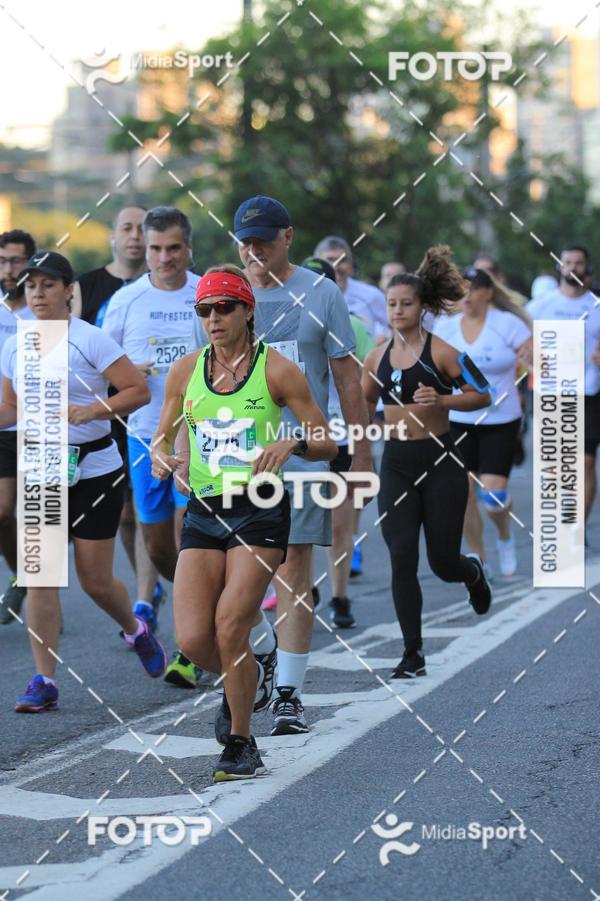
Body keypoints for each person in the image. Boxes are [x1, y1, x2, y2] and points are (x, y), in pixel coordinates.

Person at [191, 196, 372, 738]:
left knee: (295, 569)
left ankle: (290, 695)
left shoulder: (320, 293)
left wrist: (357, 457)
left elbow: (346, 376)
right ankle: (261, 651)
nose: (254, 249)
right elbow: (192, 381)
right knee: (228, 583)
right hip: (226, 461)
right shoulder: (219, 294)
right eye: (245, 240)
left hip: (300, 452)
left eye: (265, 239)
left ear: (288, 237)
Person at [152, 265, 336, 779]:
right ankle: (254, 675)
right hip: (205, 511)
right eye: (204, 310)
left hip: (259, 509)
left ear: (247, 310)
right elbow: (165, 434)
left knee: (231, 622)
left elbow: (327, 441)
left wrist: (291, 442)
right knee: (192, 640)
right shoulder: (186, 371)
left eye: (224, 308)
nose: (213, 318)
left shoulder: (277, 370)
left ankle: (241, 743)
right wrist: (168, 456)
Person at [0, 251, 167, 712]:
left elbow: (138, 390)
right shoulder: (17, 343)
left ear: (69, 290)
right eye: (31, 285)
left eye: (49, 284)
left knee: (95, 581)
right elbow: (11, 405)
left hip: (94, 468)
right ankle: (44, 680)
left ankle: (137, 631)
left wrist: (93, 410)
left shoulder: (90, 340)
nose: (38, 293)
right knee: (40, 576)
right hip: (42, 465)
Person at [362, 246, 493, 679]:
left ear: (422, 308)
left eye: (406, 304)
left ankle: (470, 572)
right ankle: (412, 652)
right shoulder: (375, 358)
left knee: (441, 562)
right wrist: (365, 437)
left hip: (440, 459)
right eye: (392, 304)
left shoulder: (444, 352)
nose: (398, 311)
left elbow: (483, 393)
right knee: (401, 557)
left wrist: (442, 398)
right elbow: (363, 405)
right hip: (397, 463)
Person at [102, 206, 202, 687]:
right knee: (161, 548)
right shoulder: (125, 301)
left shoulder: (208, 294)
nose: (165, 258)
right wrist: (127, 374)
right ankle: (200, 614)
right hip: (146, 439)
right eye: (157, 248)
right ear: (145, 247)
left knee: (191, 542)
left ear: (189, 248)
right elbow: (98, 364)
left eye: (174, 248)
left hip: (202, 436)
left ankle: (193, 646)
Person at [74, 206, 164, 632]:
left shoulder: (171, 281)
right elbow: (74, 349)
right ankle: (147, 588)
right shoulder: (86, 286)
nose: (134, 236)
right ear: (113, 236)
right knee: (126, 517)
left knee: (147, 514)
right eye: (125, 227)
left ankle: (145, 597)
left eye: (140, 229)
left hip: (155, 412)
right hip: (102, 417)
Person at [434, 267, 532, 577]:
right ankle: (479, 559)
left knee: (492, 496)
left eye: (474, 288)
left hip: (501, 419)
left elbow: (534, 356)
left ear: (488, 292)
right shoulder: (445, 327)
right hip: (459, 418)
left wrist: (530, 362)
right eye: (462, 289)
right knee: (463, 494)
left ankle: (504, 535)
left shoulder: (507, 324)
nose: (467, 295)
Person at [301, 256, 374, 628]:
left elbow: (361, 386)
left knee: (341, 527)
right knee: (297, 526)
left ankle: (340, 595)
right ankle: (304, 588)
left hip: (342, 435)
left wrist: (364, 446)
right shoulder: (285, 320)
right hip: (299, 438)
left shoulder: (355, 326)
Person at [526, 245, 600, 525]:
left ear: (587, 267)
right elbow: (521, 346)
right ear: (559, 267)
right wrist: (530, 359)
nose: (573, 267)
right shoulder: (539, 307)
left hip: (588, 391)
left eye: (579, 262)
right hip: (551, 393)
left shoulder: (596, 305)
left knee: (586, 462)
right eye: (567, 262)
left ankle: (576, 528)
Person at [0, 229, 37, 624]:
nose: (9, 270)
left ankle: (38, 588)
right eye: (3, 261)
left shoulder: (43, 308)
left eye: (17, 261)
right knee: (3, 513)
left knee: (36, 517)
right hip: (3, 426)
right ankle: (24, 576)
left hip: (42, 427)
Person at [313, 236, 390, 342]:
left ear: (351, 263)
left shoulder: (371, 295)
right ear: (318, 263)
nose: (336, 266)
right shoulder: (306, 295)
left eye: (342, 260)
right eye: (330, 260)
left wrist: (383, 337)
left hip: (365, 356)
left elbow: (394, 324)